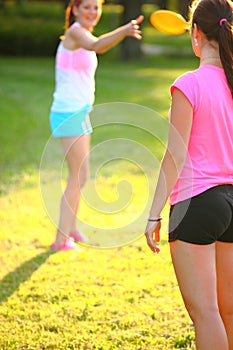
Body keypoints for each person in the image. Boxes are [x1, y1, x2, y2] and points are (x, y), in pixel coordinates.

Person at [145, 0, 233, 349]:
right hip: (231, 201)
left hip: (197, 204)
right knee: (228, 310)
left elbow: (174, 156)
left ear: (195, 33)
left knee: (207, 313)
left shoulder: (189, 84)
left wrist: (153, 213)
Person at [50, 0, 144, 250]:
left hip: (79, 112)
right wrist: (124, 30)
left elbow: (96, 43)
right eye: (87, 7)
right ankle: (60, 240)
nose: (92, 12)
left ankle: (70, 229)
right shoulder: (75, 32)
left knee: (81, 176)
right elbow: (96, 46)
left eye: (96, 7)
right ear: (76, 10)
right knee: (78, 176)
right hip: (68, 113)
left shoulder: (84, 34)